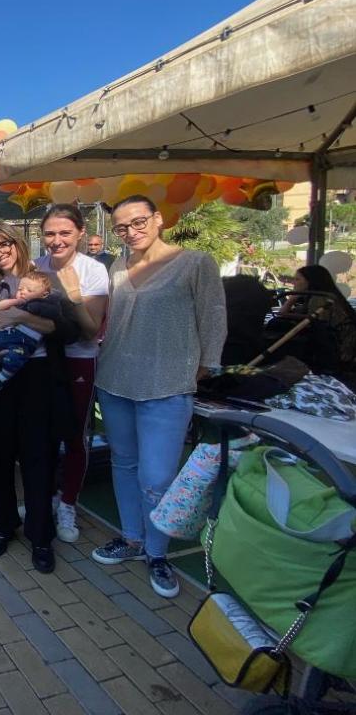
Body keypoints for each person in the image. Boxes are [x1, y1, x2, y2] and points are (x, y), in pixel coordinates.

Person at [91, 195, 226, 599]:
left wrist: (206, 365)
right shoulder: (119, 265)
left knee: (157, 477)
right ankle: (132, 538)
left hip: (167, 384)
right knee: (123, 463)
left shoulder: (195, 263)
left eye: (138, 222)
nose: (131, 232)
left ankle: (157, 553)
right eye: (122, 227)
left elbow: (213, 317)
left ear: (158, 219)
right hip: (115, 379)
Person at [0, 223, 80, 575]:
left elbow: (71, 330)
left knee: (38, 459)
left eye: (3, 245)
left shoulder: (45, 279)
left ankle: (40, 536)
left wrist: (25, 317)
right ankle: (3, 524)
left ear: (17, 243)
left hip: (38, 380)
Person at [34, 204, 110, 543]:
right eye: (50, 233)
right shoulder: (35, 267)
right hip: (42, 360)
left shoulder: (93, 270)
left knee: (74, 435)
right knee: (43, 435)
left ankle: (68, 503)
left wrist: (74, 294)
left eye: (65, 232)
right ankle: (47, 497)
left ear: (80, 233)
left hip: (79, 359)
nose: (57, 240)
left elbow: (91, 330)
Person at [0, 271, 63, 392]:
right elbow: (0, 306)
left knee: (13, 361)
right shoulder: (17, 301)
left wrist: (26, 312)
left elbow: (54, 322)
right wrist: (15, 302)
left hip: (24, 341)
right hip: (4, 335)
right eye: (20, 289)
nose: (23, 292)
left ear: (44, 294)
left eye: (29, 290)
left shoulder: (46, 305)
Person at [275, 264, 356, 366]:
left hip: (338, 351)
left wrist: (292, 299)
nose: (293, 283)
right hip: (343, 347)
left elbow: (316, 326)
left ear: (310, 281)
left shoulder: (319, 299)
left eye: (297, 279)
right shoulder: (329, 297)